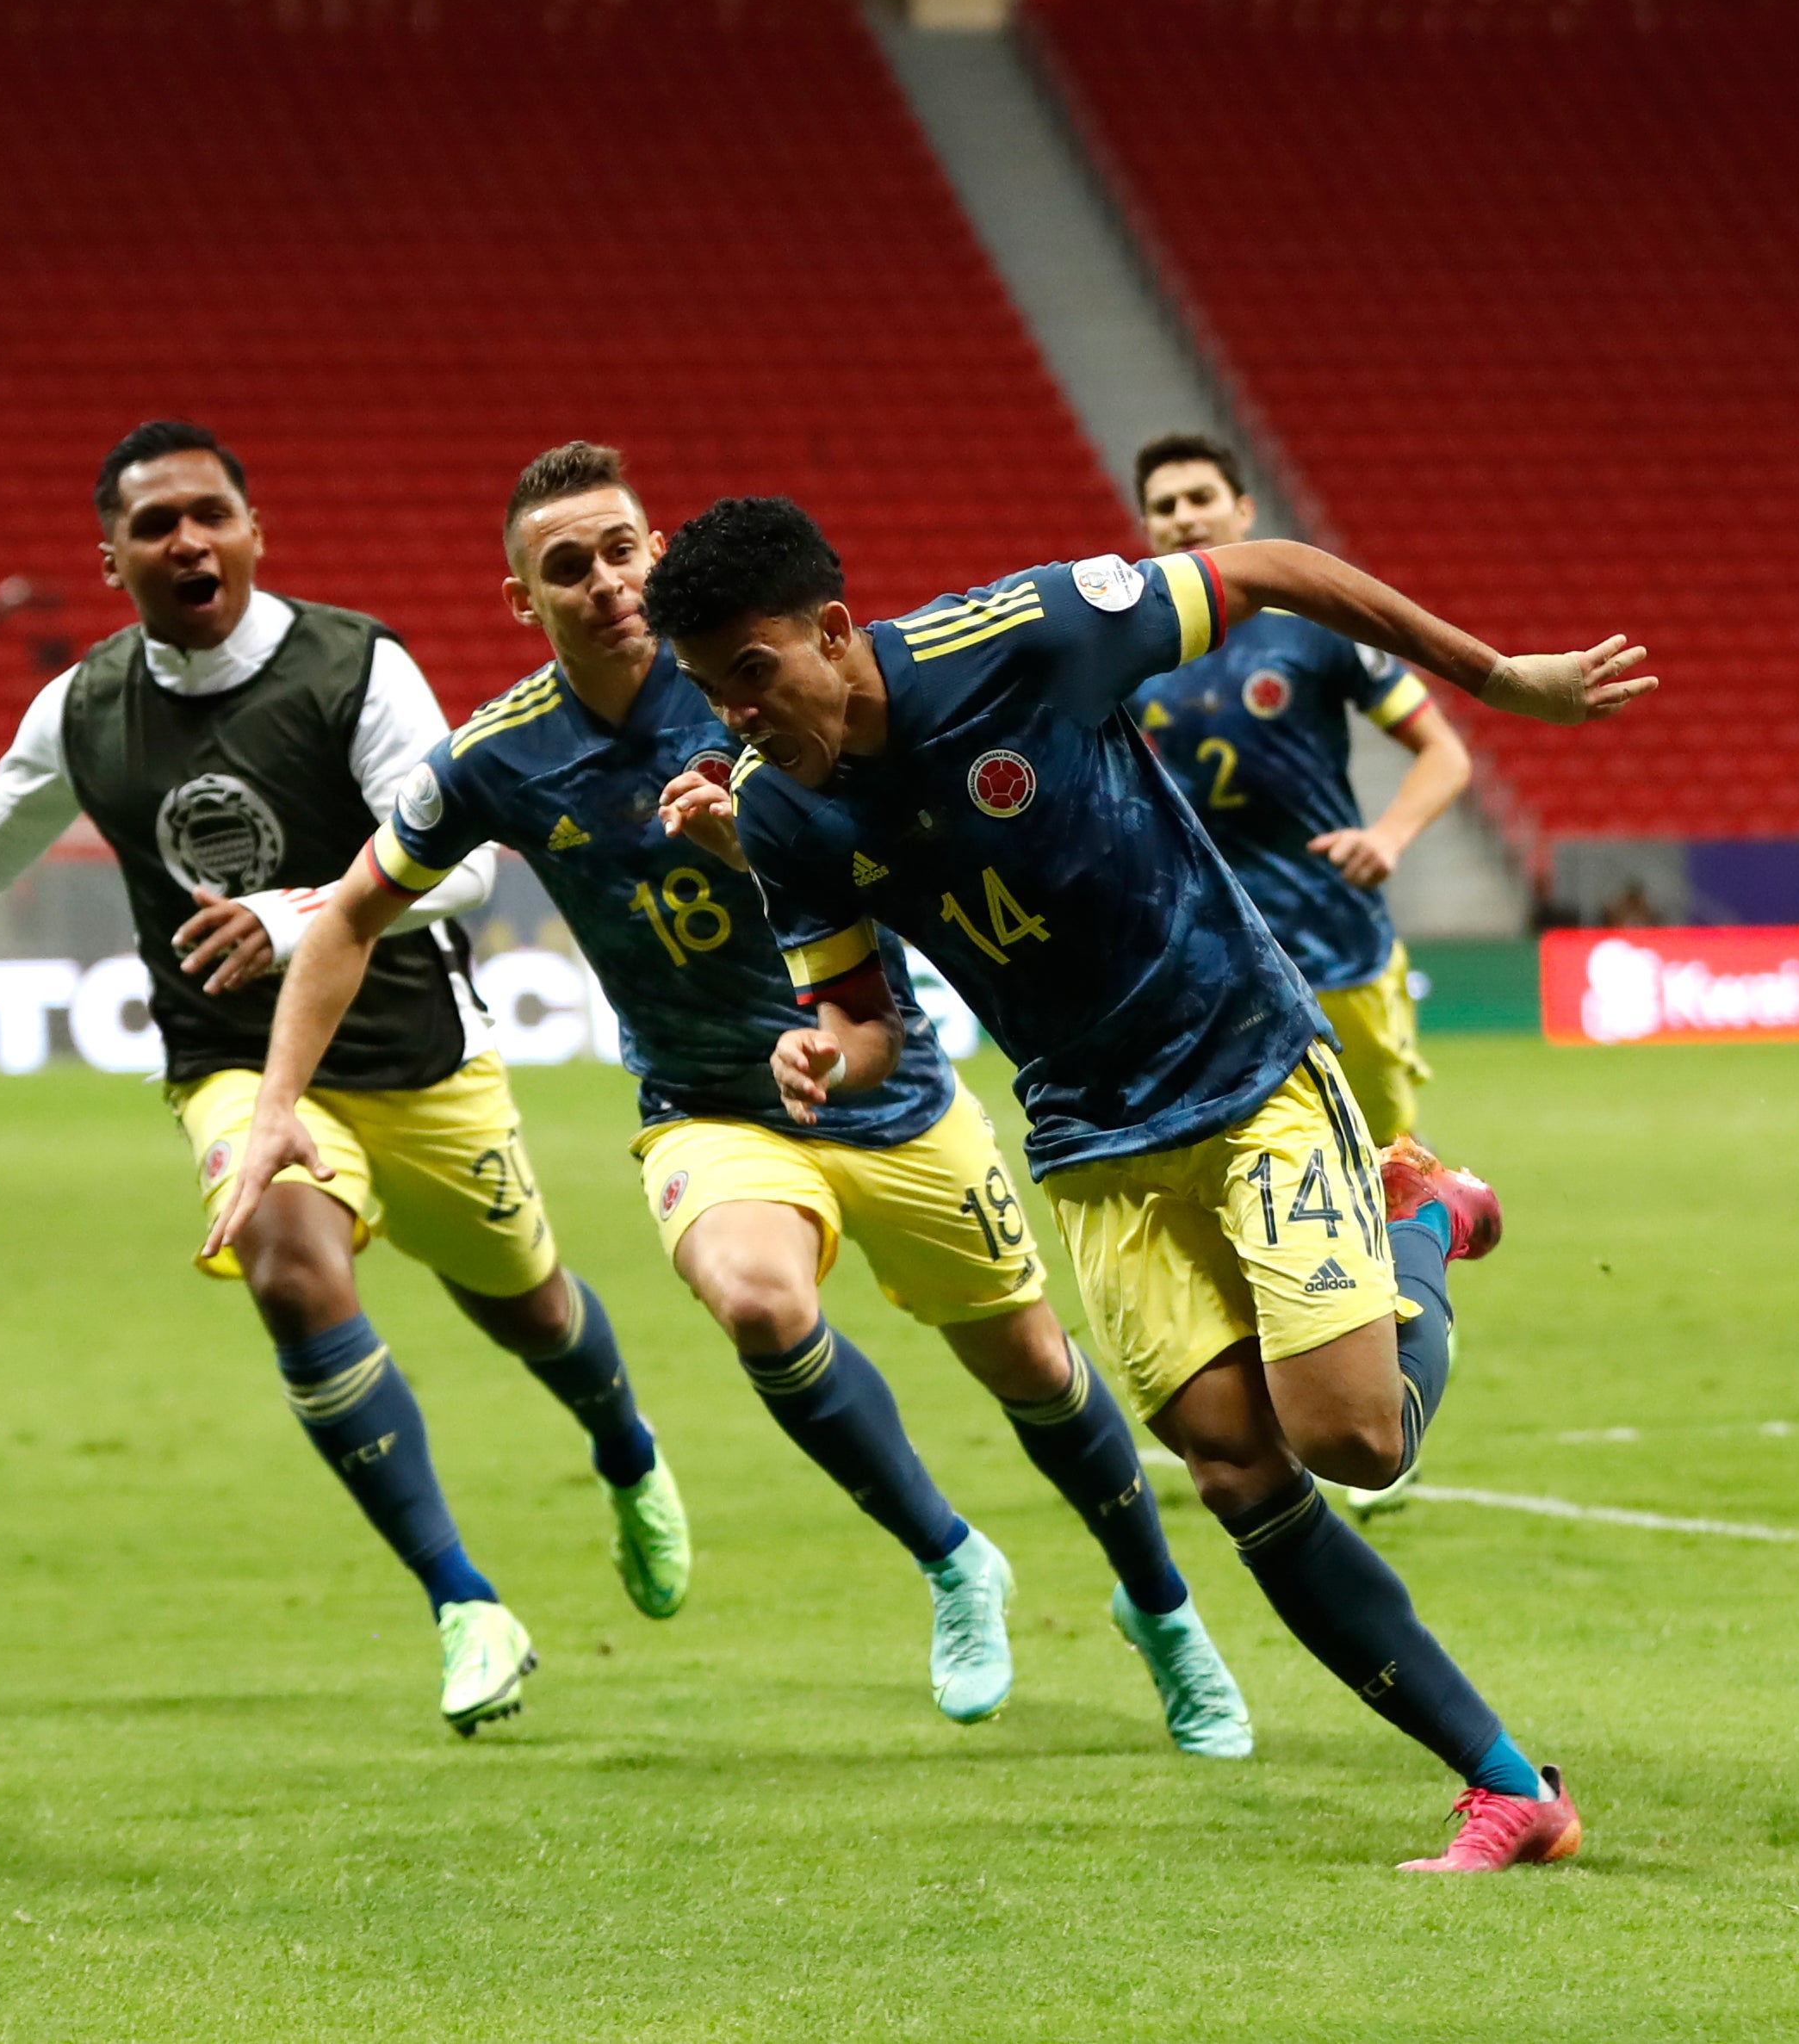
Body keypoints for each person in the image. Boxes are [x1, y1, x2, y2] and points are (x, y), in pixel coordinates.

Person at [647, 495, 1653, 1872]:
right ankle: (1506, 1788)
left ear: (831, 629)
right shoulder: (777, 814)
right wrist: (824, 1053)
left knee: (1355, 1443)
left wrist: (1493, 677)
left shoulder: (1021, 637)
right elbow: (865, 1020)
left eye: (752, 673)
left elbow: (1272, 566)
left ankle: (1417, 1218)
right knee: (1234, 1467)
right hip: (1091, 1147)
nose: (736, 716)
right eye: (710, 689)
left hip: (1244, 1067)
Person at [0, 420, 685, 1734]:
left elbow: (467, 867)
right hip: (231, 1061)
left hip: (417, 1056)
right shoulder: (82, 709)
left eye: (209, 516)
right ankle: (462, 1602)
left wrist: (294, 916)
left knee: (528, 1309)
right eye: (154, 526)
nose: (186, 541)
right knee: (286, 1267)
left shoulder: (356, 668)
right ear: (113, 560)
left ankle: (626, 1453)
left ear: (254, 535)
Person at [209, 443, 1248, 1752]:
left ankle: (1161, 1607)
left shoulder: (760, 681)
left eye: (621, 550)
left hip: (883, 1077)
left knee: (1036, 1369)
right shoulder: (498, 754)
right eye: (567, 568)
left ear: (656, 553)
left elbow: (902, 851)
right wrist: (275, 1107)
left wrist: (752, 841)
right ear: (524, 601)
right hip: (708, 1102)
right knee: (759, 1302)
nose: (605, 583)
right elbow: (354, 913)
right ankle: (949, 1556)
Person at [1126, 434, 1469, 1149]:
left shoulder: (1317, 626)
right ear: (1147, 526)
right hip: (1212, 956)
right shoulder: (1130, 651)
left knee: (1387, 1160)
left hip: (1336, 940)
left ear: (1244, 510)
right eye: (1165, 506)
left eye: (1200, 498)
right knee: (1239, 1160)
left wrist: (1388, 836)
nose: (1184, 516)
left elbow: (1445, 753)